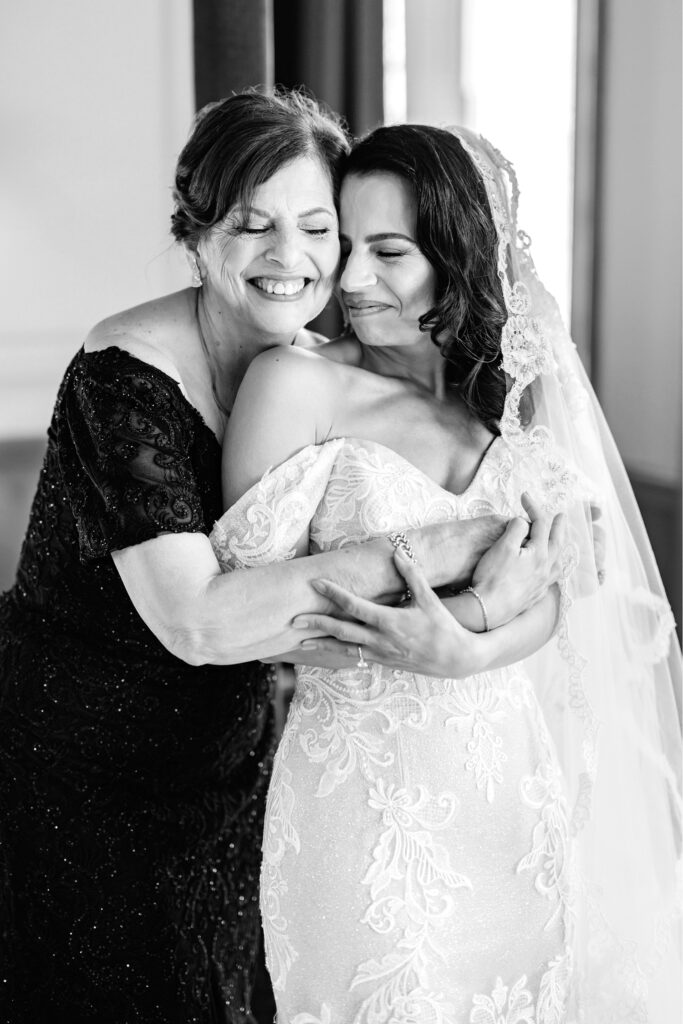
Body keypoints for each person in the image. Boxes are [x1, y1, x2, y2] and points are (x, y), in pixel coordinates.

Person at [0, 93, 563, 1024]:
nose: (289, 258)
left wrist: (469, 637)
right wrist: (447, 549)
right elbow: (203, 621)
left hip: (230, 752)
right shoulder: (123, 374)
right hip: (78, 752)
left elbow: (545, 576)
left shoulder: (326, 362)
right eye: (249, 225)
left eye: (317, 228)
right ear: (195, 233)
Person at [210, 124, 682, 1021]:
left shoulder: (508, 402)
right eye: (340, 246)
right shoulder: (295, 386)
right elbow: (246, 625)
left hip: (511, 793)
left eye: (387, 251)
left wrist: (472, 648)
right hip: (363, 808)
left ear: (458, 257)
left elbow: (554, 593)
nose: (347, 281)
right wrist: (467, 608)